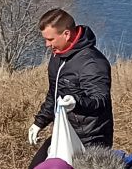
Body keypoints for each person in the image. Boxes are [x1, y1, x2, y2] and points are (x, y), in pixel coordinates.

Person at [27, 9, 112, 159]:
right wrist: (39, 122)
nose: (47, 44)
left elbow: (100, 100)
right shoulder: (57, 56)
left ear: (66, 34)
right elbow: (54, 93)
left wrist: (76, 102)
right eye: (45, 39)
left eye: (51, 39)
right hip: (64, 132)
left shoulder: (92, 62)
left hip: (90, 140)